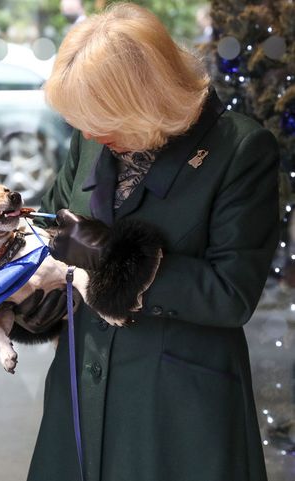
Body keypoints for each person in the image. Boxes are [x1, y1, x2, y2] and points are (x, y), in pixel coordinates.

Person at [19, 3, 280, 481]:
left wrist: (111, 260)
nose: (91, 132)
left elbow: (232, 294)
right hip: (81, 391)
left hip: (177, 409)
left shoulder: (240, 150)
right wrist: (29, 294)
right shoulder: (93, 138)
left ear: (145, 99)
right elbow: (52, 227)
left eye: (101, 119)